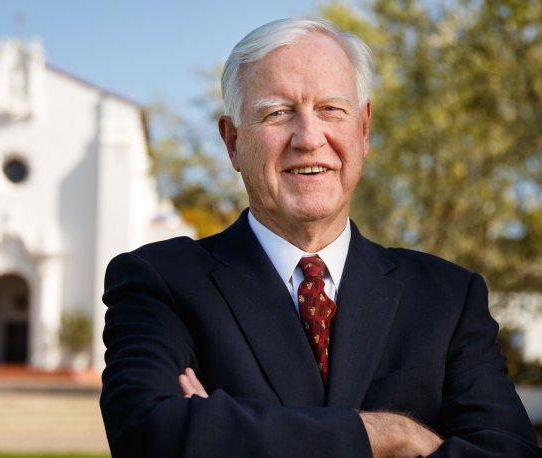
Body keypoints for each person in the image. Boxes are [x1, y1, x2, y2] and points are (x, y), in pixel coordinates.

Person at [100, 18, 541, 457]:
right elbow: (150, 435)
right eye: (277, 113)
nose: (309, 139)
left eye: (332, 109)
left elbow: (509, 454)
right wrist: (389, 436)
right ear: (233, 142)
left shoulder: (447, 296)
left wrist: (226, 430)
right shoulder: (161, 281)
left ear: (363, 129)